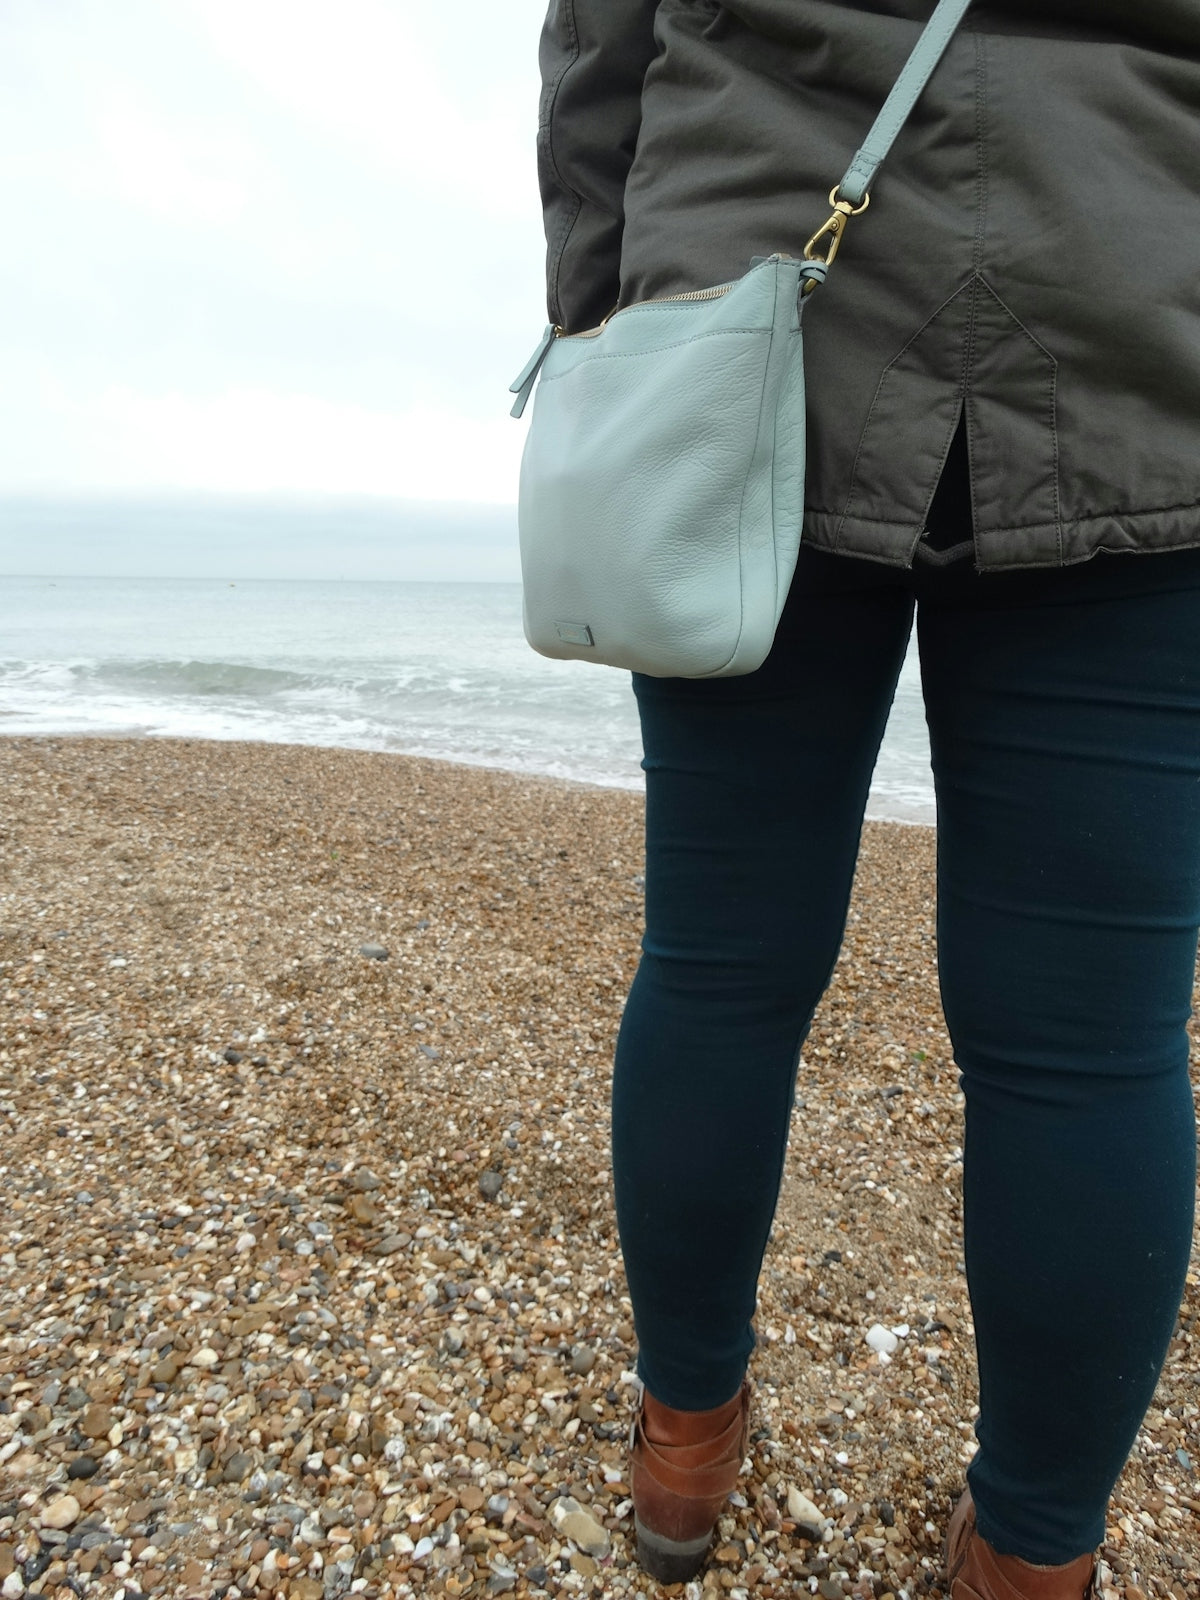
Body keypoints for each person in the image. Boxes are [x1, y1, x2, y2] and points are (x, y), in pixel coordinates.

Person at [528, 2, 1200, 1596]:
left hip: (755, 322)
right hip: (1141, 330)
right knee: (1091, 1045)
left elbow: (597, 56)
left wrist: (607, 321)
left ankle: (684, 1444)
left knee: (717, 970)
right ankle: (1033, 1556)